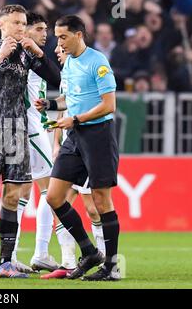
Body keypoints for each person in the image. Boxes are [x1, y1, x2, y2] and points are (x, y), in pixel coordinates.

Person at [0, 4, 60, 279]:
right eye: (16, 23)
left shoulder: (26, 52)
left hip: (19, 132)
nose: (21, 28)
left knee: (12, 196)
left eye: (23, 23)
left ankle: (6, 264)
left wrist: (39, 53)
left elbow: (56, 78)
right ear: (3, 25)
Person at [35, 15, 120, 281]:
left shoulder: (98, 62)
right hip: (74, 135)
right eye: (57, 37)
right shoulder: (69, 64)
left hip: (98, 135)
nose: (58, 43)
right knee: (54, 197)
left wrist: (76, 119)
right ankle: (90, 252)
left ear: (79, 35)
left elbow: (109, 105)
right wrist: (50, 106)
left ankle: (111, 267)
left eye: (63, 37)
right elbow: (68, 100)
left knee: (100, 201)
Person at [11, 12, 59, 274]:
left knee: (22, 193)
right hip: (31, 127)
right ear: (25, 30)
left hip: (35, 125)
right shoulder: (22, 56)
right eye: (39, 29)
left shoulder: (33, 56)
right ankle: (41, 252)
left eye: (46, 29)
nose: (45, 34)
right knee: (52, 190)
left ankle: (12, 255)